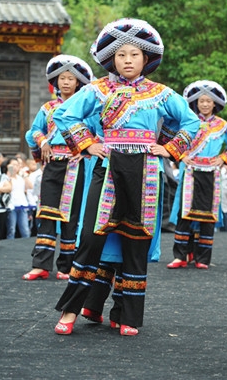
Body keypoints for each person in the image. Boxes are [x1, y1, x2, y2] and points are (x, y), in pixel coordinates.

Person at [52, 18, 200, 336]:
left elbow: (191, 123)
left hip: (146, 172)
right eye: (121, 55)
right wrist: (88, 143)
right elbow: (64, 114)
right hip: (107, 170)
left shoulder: (161, 94)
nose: (128, 60)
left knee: (136, 241)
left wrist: (170, 149)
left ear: (146, 59)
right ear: (112, 60)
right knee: (91, 240)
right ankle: (70, 310)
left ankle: (128, 314)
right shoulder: (98, 90)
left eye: (134, 54)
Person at [22, 55, 94, 281]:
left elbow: (94, 134)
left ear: (78, 83)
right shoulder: (47, 108)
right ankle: (41, 265)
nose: (65, 82)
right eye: (62, 78)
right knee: (47, 212)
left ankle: (66, 266)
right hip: (53, 164)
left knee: (71, 216)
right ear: (55, 82)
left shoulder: (85, 110)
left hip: (76, 165)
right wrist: (42, 141)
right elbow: (33, 131)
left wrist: (84, 150)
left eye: (70, 79)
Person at [167, 80, 227, 269]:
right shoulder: (190, 122)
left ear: (215, 104)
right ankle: (180, 256)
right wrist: (182, 155)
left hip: (211, 173)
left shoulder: (222, 126)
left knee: (207, 216)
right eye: (201, 101)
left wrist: (224, 158)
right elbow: (174, 139)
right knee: (184, 214)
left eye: (208, 101)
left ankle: (202, 258)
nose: (205, 104)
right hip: (190, 172)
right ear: (196, 103)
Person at [5, 157, 32, 239]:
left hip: (22, 205)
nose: (15, 167)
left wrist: (25, 175)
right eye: (12, 165)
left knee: (25, 229)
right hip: (11, 206)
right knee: (11, 229)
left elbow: (30, 186)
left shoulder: (21, 178)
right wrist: (9, 172)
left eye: (17, 165)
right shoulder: (5, 177)